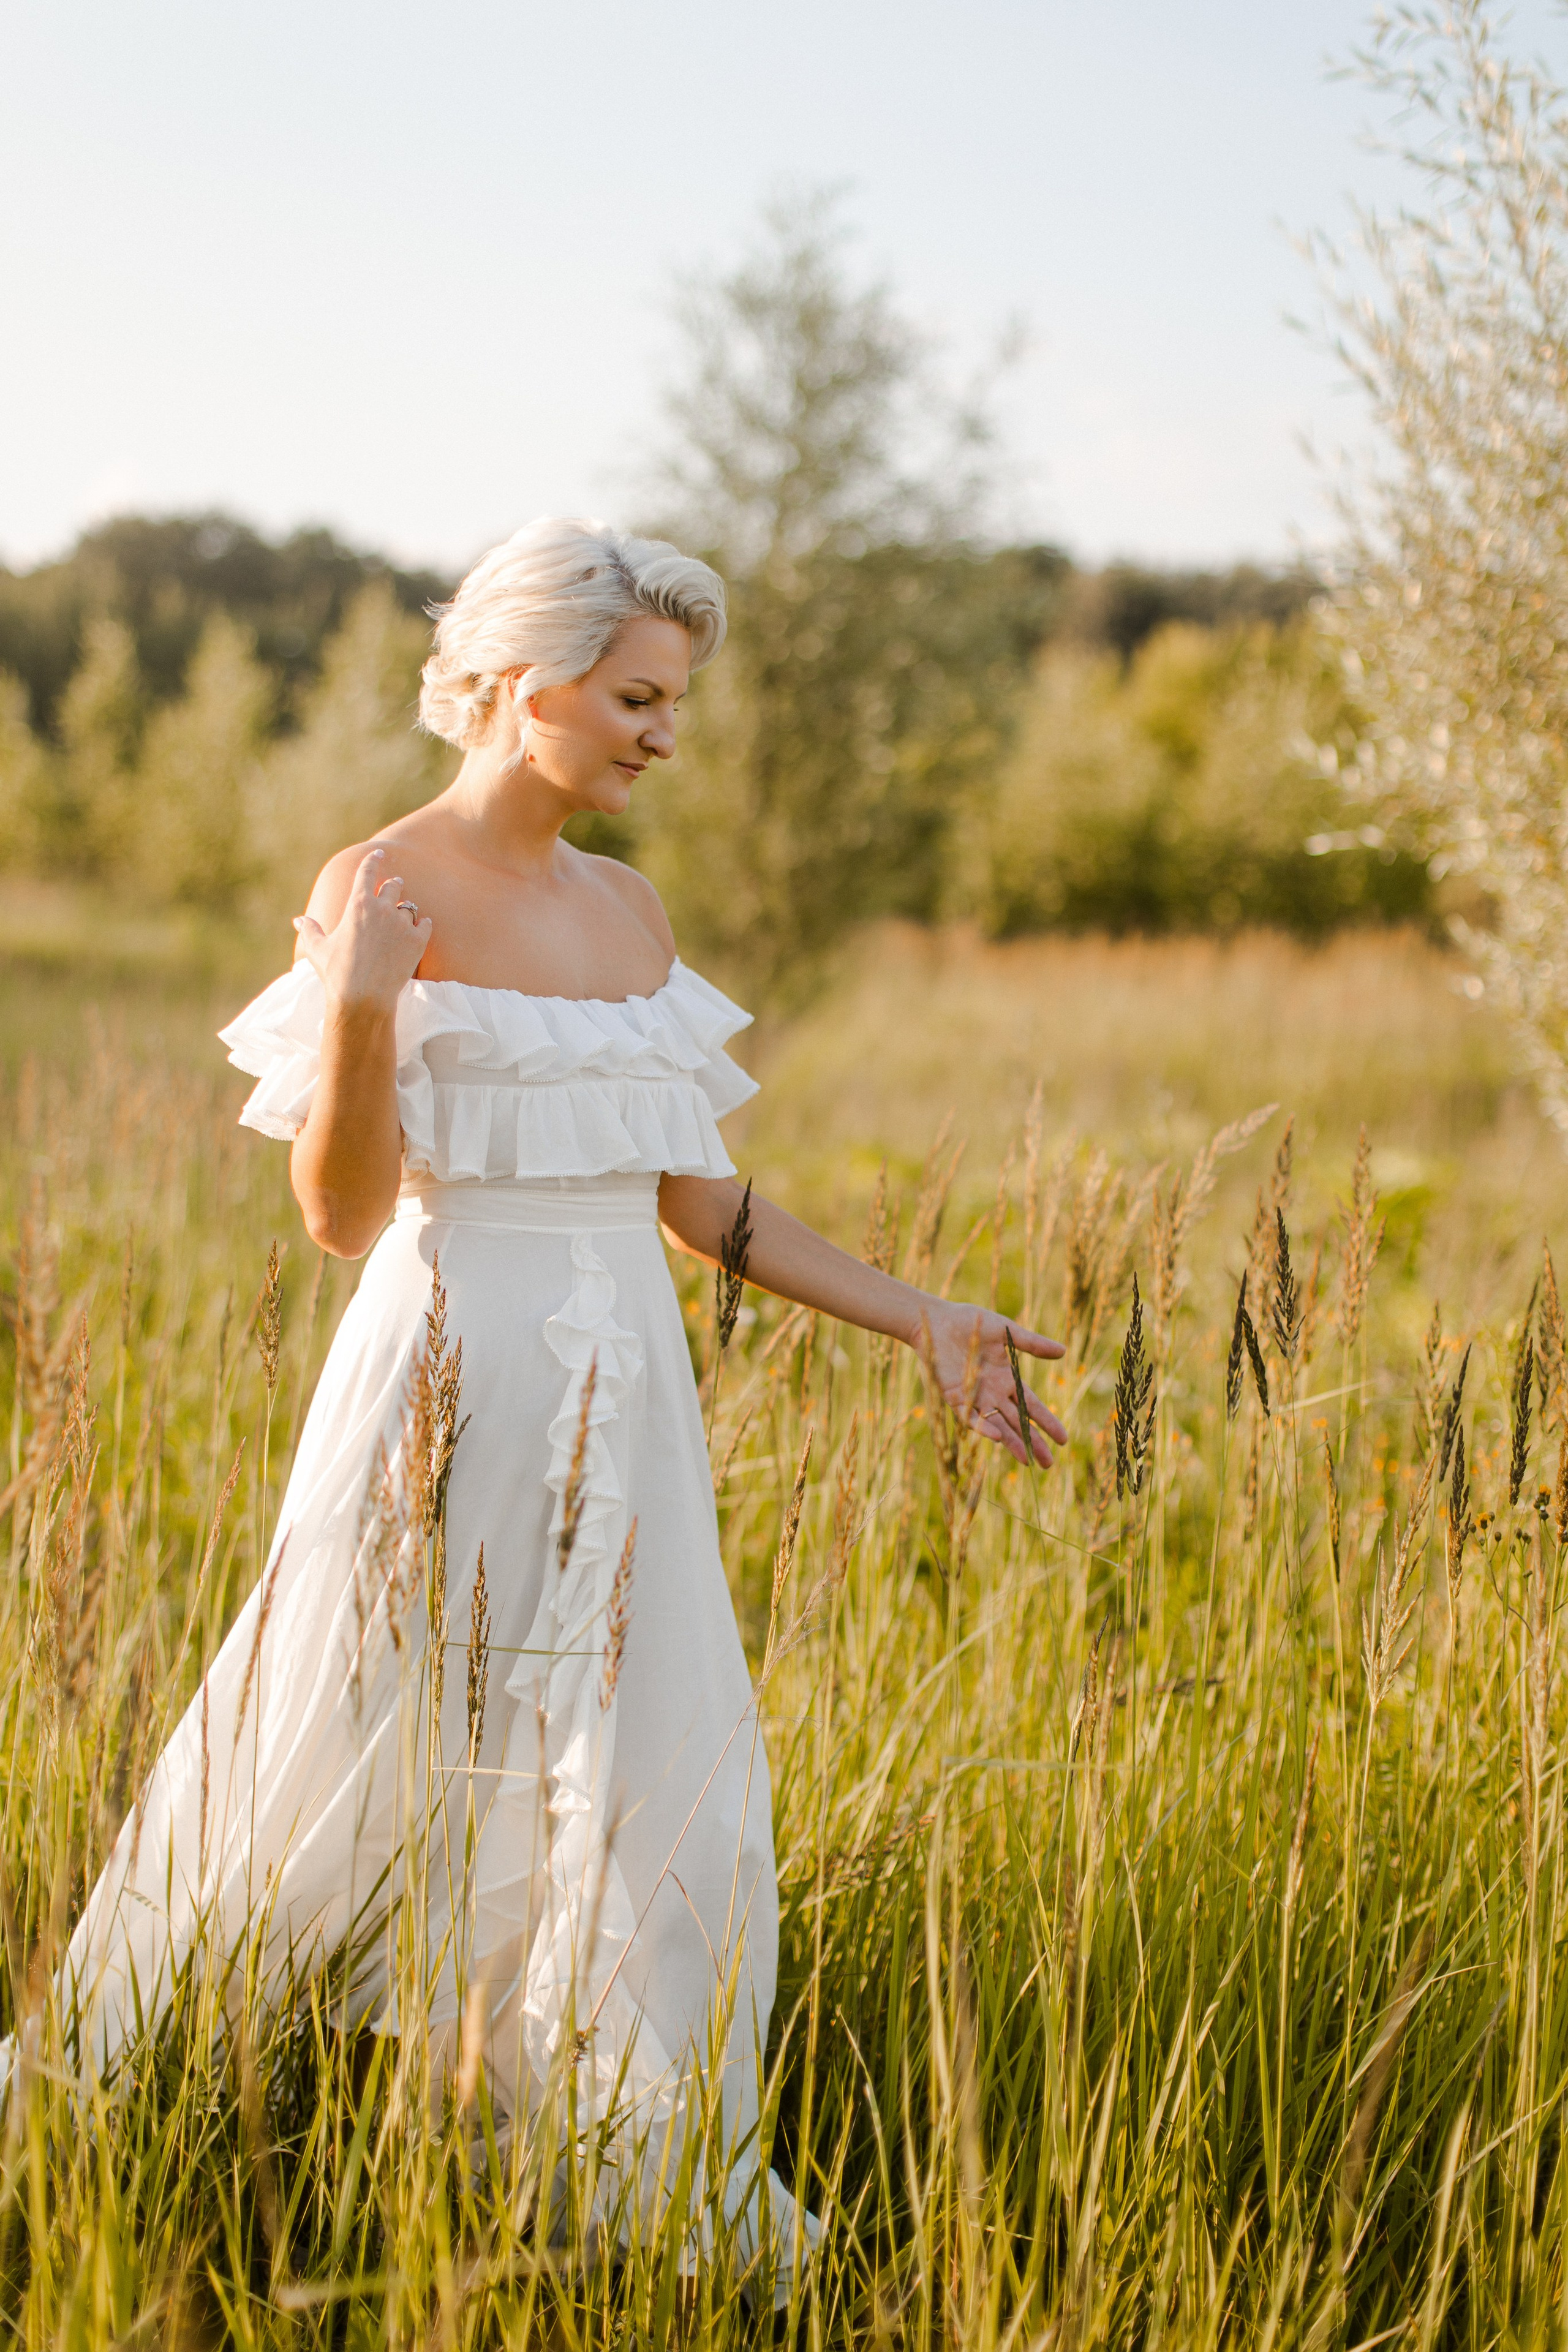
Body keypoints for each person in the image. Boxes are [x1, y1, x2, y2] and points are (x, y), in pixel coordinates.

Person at [50, 517, 1068, 2291]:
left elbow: (700, 1203)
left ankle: (630, 2161)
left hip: (632, 1402)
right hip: (445, 1374)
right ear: (526, 680)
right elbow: (345, 1217)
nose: (664, 734)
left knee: (655, 1759)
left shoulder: (630, 911)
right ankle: (168, 2117)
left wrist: (923, 1320)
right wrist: (366, 1006)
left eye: (675, 701)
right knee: (342, 1735)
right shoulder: (378, 882)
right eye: (637, 696)